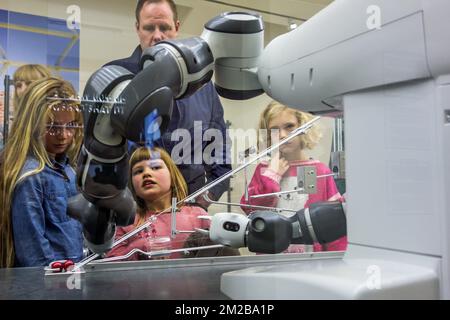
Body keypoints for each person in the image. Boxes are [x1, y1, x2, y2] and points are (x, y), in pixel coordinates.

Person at [104, 0, 231, 209]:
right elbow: (98, 155)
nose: (157, 36)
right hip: (132, 218)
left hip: (189, 215)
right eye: (148, 28)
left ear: (177, 28)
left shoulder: (204, 87)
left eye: (164, 27)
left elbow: (219, 149)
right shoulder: (115, 78)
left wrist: (205, 198)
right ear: (137, 28)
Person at [240, 101, 347, 253]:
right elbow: (251, 211)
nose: (283, 135)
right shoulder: (264, 169)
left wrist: (338, 261)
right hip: (269, 258)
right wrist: (271, 177)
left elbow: (333, 222)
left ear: (303, 126)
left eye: (289, 126)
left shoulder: (316, 170)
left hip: (310, 261)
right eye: (275, 130)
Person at [0, 77, 84, 268]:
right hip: (49, 286)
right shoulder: (32, 176)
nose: (63, 135)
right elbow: (33, 256)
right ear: (32, 125)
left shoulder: (67, 169)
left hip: (70, 279)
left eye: (70, 126)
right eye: (52, 127)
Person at [106, 146, 239, 260]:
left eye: (155, 167)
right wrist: (139, 247)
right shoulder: (126, 221)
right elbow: (111, 263)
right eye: (138, 171)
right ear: (131, 183)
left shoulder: (198, 216)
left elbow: (225, 254)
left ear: (172, 176)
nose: (146, 173)